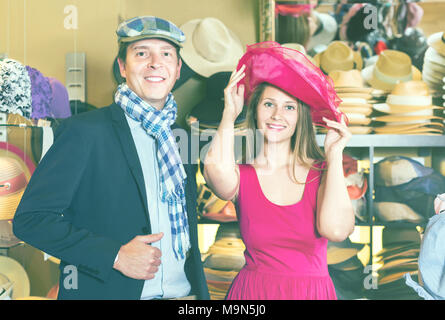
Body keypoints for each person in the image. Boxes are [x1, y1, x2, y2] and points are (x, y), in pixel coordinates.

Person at [12, 16, 209, 300]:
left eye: (166, 54)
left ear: (177, 69)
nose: (155, 62)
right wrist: (115, 256)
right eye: (142, 53)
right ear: (122, 67)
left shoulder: (180, 138)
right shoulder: (84, 132)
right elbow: (31, 220)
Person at [203, 42, 355, 300]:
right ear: (255, 109)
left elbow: (337, 230)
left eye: (289, 107)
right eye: (268, 104)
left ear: (300, 117)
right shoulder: (242, 175)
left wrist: (334, 153)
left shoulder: (322, 172)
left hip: (311, 293)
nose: (277, 115)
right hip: (252, 294)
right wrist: (229, 114)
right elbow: (214, 171)